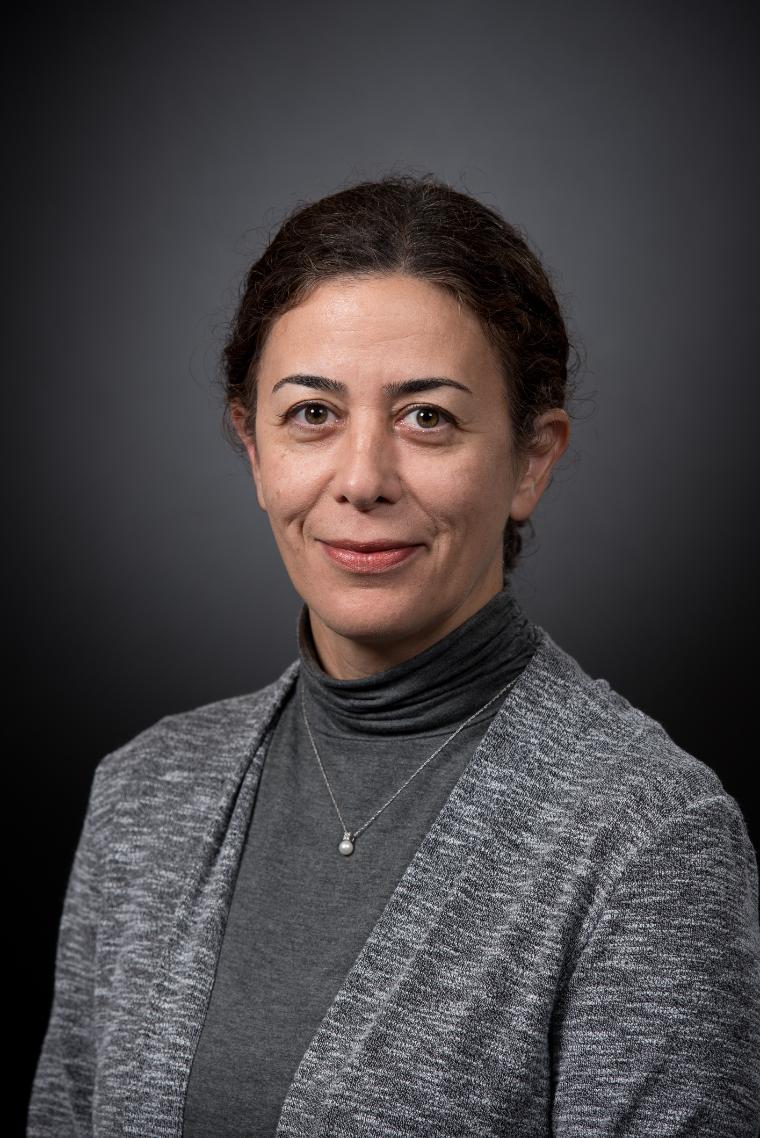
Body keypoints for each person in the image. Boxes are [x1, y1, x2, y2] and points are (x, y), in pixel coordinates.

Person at [28, 173, 760, 1137]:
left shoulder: (647, 837)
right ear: (253, 449)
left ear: (531, 459)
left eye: (427, 417)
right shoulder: (142, 798)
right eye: (313, 415)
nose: (363, 478)